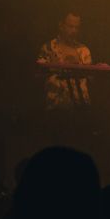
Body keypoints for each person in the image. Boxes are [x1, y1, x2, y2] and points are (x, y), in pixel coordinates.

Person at [36, 12, 94, 148]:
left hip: (80, 107)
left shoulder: (84, 50)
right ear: (61, 26)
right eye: (70, 26)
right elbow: (38, 75)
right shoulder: (49, 48)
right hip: (56, 108)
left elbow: (91, 78)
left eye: (76, 27)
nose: (73, 31)